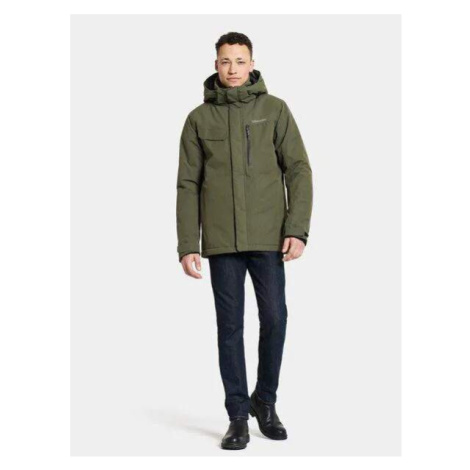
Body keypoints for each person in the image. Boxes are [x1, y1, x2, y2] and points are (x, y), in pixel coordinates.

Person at [176, 31, 313, 450]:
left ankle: (264, 401)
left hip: (269, 237)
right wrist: (188, 243)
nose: (233, 69)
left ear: (252, 63)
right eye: (225, 61)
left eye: (240, 61)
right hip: (221, 242)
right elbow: (188, 184)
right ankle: (237, 414)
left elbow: (299, 169)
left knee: (275, 318)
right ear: (215, 64)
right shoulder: (198, 119)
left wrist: (296, 228)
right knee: (230, 327)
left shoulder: (275, 110)